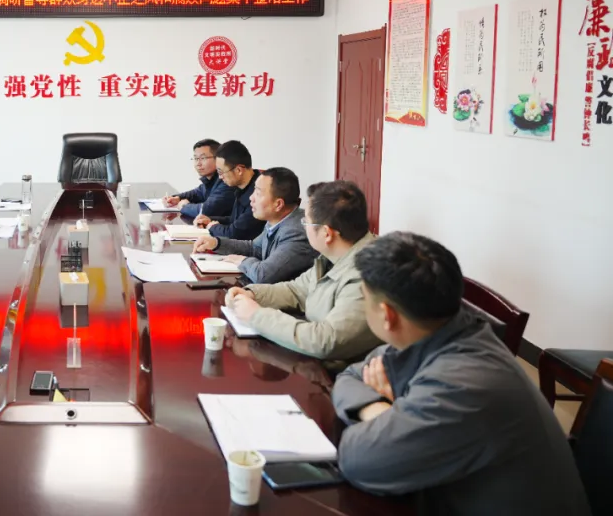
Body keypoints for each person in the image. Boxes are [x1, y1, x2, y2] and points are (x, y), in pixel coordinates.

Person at [332, 232, 590, 516]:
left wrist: (389, 417)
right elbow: (350, 376)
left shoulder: (465, 384)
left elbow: (357, 459)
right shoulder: (443, 328)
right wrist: (380, 410)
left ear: (386, 315)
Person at [226, 180, 380, 363]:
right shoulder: (332, 256)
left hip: (343, 374)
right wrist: (251, 294)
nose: (303, 227)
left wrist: (256, 315)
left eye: (306, 222)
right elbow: (296, 290)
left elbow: (326, 340)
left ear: (327, 233)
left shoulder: (366, 275)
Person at [192, 167, 317, 285]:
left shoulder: (296, 231)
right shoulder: (277, 219)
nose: (251, 198)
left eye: (258, 193)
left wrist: (242, 261)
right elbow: (255, 248)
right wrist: (216, 243)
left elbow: (264, 275)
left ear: (278, 204)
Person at [192, 140, 263, 241]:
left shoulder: (258, 194)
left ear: (239, 170)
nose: (220, 177)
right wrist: (210, 220)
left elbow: (234, 233)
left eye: (221, 172)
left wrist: (212, 226)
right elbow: (234, 220)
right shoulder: (242, 186)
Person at [161, 139, 236, 220]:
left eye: (203, 158)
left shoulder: (226, 181)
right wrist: (177, 198)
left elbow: (207, 211)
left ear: (218, 159)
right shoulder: (210, 180)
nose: (198, 163)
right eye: (196, 158)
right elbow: (197, 193)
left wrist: (184, 206)